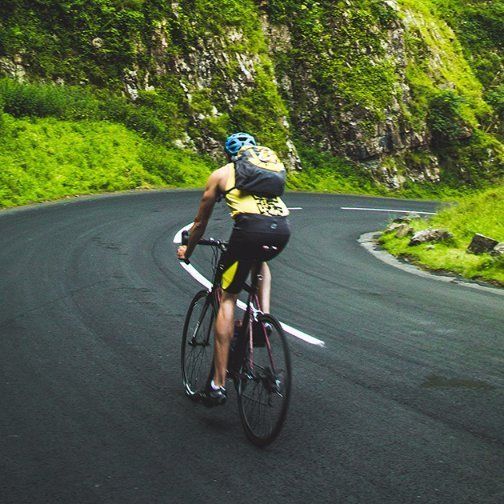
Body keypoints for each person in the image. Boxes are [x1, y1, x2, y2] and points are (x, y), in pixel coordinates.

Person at [177, 132, 291, 406]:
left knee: (227, 297)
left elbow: (199, 224)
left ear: (229, 156)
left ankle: (217, 384)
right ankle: (263, 319)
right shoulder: (265, 176)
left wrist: (187, 251)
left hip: (250, 231)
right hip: (282, 231)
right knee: (258, 260)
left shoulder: (221, 174)